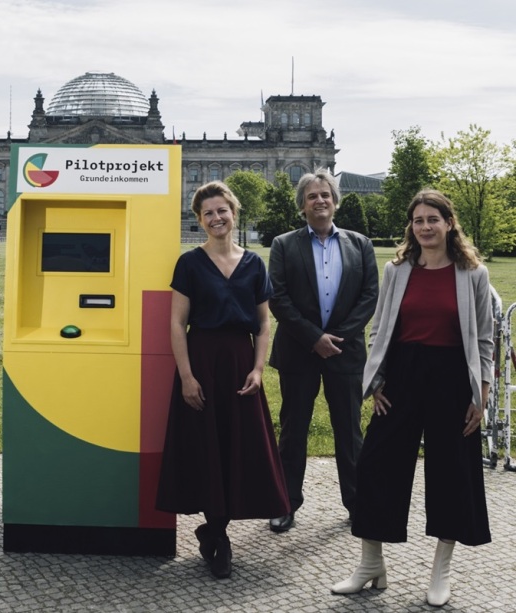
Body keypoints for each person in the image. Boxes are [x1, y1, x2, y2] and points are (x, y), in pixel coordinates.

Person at [331, 190, 492, 606]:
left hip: (453, 378)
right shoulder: (397, 269)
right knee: (376, 465)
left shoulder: (473, 273)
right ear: (412, 226)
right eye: (418, 220)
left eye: (433, 219)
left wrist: (483, 393)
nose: (425, 227)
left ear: (449, 223)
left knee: (452, 472)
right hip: (402, 376)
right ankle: (371, 564)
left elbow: (485, 339)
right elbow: (380, 326)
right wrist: (378, 379)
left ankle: (440, 570)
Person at [156, 181, 289, 579]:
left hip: (240, 362)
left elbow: (264, 322)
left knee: (237, 446)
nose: (217, 218)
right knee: (205, 446)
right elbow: (178, 324)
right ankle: (217, 534)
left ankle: (214, 530)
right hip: (202, 361)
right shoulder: (190, 263)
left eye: (222, 210)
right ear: (199, 220)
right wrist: (186, 376)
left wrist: (258, 368)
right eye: (208, 213)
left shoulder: (254, 263)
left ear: (234, 212)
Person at [267, 169, 378, 532]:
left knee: (349, 432)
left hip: (345, 354)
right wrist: (314, 337)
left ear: (335, 201)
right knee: (293, 431)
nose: (320, 201)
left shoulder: (360, 244)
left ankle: (359, 503)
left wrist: (337, 339)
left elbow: (368, 297)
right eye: (312, 196)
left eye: (325, 195)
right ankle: (286, 503)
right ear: (302, 205)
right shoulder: (284, 244)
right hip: (299, 351)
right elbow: (278, 299)